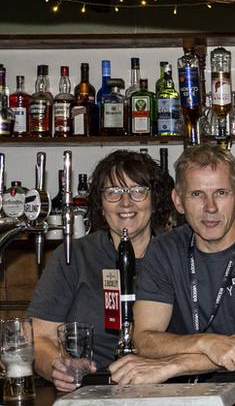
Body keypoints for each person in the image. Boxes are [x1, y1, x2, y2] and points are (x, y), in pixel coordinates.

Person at [112, 144, 235, 384]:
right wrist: (207, 343)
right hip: (183, 394)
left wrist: (174, 365)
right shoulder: (164, 248)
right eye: (197, 194)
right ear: (178, 201)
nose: (210, 207)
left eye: (221, 193)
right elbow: (144, 339)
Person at [28, 150, 174, 392]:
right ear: (100, 201)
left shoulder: (174, 255)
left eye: (137, 191)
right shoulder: (73, 256)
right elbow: (40, 337)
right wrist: (58, 366)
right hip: (87, 391)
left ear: (155, 198)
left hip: (164, 390)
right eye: (113, 192)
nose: (125, 203)